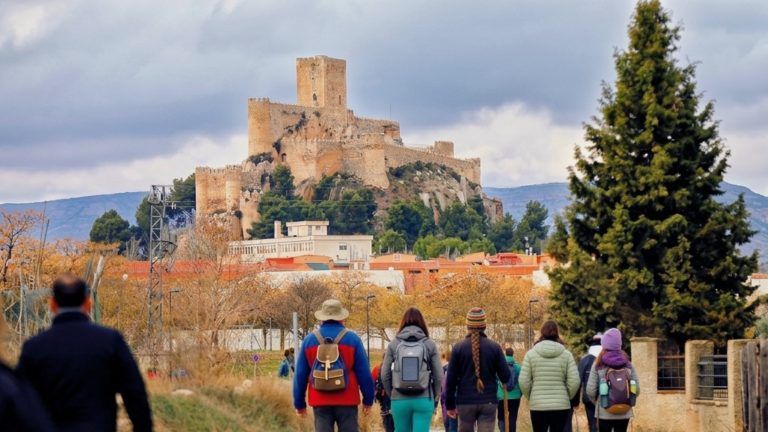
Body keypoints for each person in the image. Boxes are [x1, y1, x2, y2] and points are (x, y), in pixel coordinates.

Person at [16, 274, 152, 432]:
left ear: (52, 305)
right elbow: (134, 392)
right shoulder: (110, 341)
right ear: (88, 304)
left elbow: (21, 401)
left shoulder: (34, 347)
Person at [293, 299, 375, 432]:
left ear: (322, 319)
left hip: (320, 400)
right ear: (341, 318)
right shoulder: (353, 339)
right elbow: (364, 373)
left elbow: (300, 375)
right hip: (348, 400)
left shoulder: (309, 340)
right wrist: (368, 400)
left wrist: (299, 403)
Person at [445, 307, 510, 432]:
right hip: (488, 401)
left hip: (465, 402)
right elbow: (505, 376)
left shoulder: (458, 348)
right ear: (484, 325)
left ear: (467, 325)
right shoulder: (494, 347)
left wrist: (450, 405)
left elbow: (450, 381)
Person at [381, 307, 442, 432]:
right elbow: (439, 375)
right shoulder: (429, 344)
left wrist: (392, 393)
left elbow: (384, 374)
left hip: (399, 399)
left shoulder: (394, 344)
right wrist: (435, 397)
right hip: (424, 398)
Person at [519, 320, 580, 432]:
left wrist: (531, 396)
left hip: (538, 405)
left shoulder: (530, 354)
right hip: (561, 405)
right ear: (557, 333)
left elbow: (523, 381)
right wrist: (567, 396)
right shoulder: (566, 355)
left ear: (541, 333)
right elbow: (575, 381)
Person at [586, 328, 639, 432]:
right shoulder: (628, 364)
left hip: (604, 411)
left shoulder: (598, 364)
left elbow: (590, 390)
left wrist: (599, 402)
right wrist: (626, 400)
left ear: (604, 345)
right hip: (624, 411)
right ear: (619, 345)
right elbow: (637, 389)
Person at [579, 333, 603, 432]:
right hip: (605, 398)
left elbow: (577, 381)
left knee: (592, 425)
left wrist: (575, 402)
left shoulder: (585, 360)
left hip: (588, 398)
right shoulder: (607, 359)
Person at [496, 347, 521, 432]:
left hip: (502, 396)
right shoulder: (518, 367)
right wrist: (520, 393)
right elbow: (521, 381)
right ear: (513, 354)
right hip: (515, 396)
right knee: (513, 417)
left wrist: (497, 393)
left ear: (505, 354)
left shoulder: (498, 366)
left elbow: (495, 380)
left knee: (501, 417)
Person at [372, 355, 395, 432]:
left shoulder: (377, 368)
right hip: (397, 397)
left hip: (384, 399)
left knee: (388, 422)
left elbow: (371, 384)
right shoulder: (398, 368)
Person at [440, 352, 458, 432]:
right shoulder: (462, 368)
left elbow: (444, 392)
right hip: (463, 406)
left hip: (450, 407)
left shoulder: (446, 371)